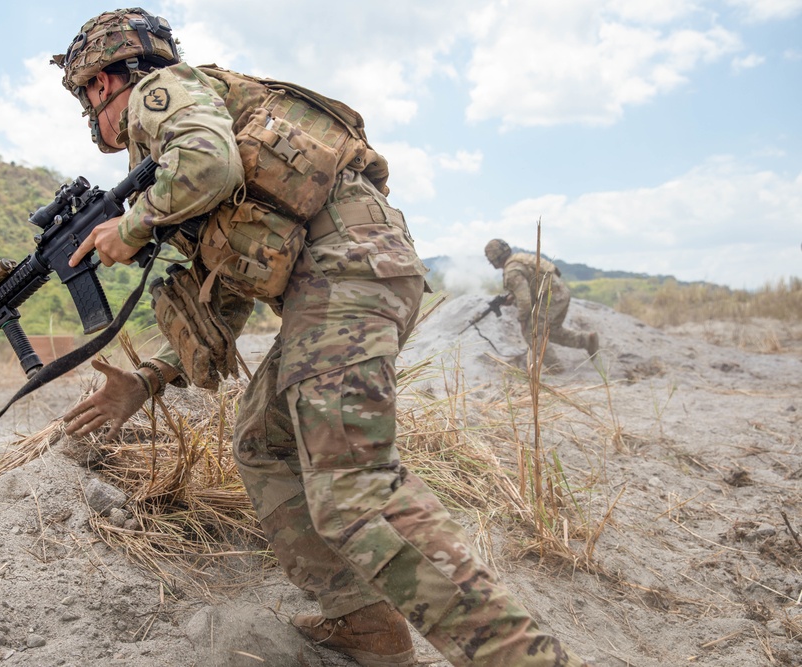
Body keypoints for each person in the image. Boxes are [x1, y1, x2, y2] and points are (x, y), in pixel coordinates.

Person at [56, 8, 590, 666]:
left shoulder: (157, 99)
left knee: (354, 490)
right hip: (346, 277)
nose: (92, 115)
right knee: (261, 439)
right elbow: (221, 299)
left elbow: (211, 162)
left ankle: (524, 657)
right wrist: (147, 378)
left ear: (104, 82)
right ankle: (363, 622)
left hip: (344, 274)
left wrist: (131, 227)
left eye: (86, 96)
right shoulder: (181, 157)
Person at [484, 239, 599, 373]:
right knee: (552, 331)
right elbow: (531, 284)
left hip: (550, 297)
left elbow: (525, 301)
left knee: (532, 332)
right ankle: (587, 341)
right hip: (559, 293)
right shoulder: (519, 259)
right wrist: (512, 298)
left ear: (494, 259)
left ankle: (555, 368)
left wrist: (522, 321)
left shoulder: (511, 271)